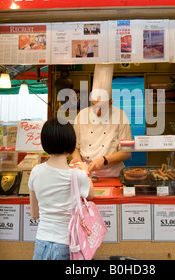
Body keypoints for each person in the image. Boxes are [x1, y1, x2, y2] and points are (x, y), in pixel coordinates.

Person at [28, 118, 94, 260]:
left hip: (41, 242)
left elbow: (34, 214)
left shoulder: (35, 171)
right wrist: (86, 171)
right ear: (70, 144)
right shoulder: (79, 175)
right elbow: (90, 194)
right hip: (66, 244)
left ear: (44, 142)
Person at [71, 64, 132, 178]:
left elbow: (127, 152)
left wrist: (104, 160)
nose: (97, 111)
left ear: (111, 103)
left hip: (113, 174)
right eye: (94, 106)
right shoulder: (81, 115)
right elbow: (74, 146)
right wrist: (77, 160)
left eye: (102, 107)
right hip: (85, 174)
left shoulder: (121, 116)